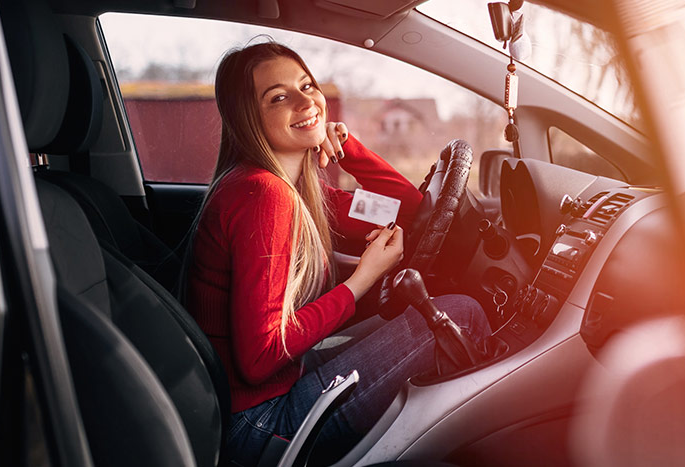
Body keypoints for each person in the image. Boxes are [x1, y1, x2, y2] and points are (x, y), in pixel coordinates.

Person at [185, 41, 491, 467]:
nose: (305, 100)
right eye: (278, 97)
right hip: (259, 424)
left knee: (436, 314)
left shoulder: (298, 190)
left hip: (277, 385)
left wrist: (351, 151)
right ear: (248, 119)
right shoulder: (262, 194)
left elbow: (407, 208)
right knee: (461, 314)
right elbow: (258, 358)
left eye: (306, 85)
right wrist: (362, 279)